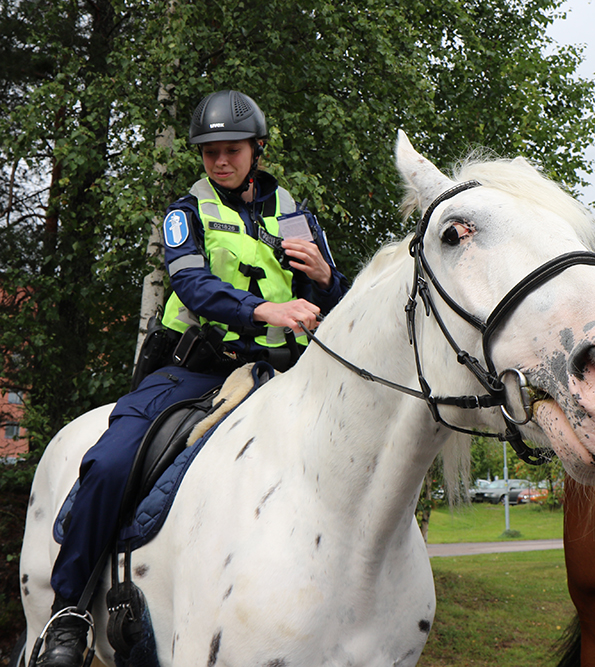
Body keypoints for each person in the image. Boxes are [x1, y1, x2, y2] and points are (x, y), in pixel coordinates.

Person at [36, 90, 347, 667]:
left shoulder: (300, 218)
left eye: (231, 150)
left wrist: (327, 278)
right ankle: (68, 610)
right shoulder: (185, 213)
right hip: (192, 371)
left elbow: (334, 301)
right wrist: (266, 312)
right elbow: (193, 286)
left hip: (284, 375)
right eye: (209, 153)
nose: (220, 162)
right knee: (107, 464)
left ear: (257, 149)